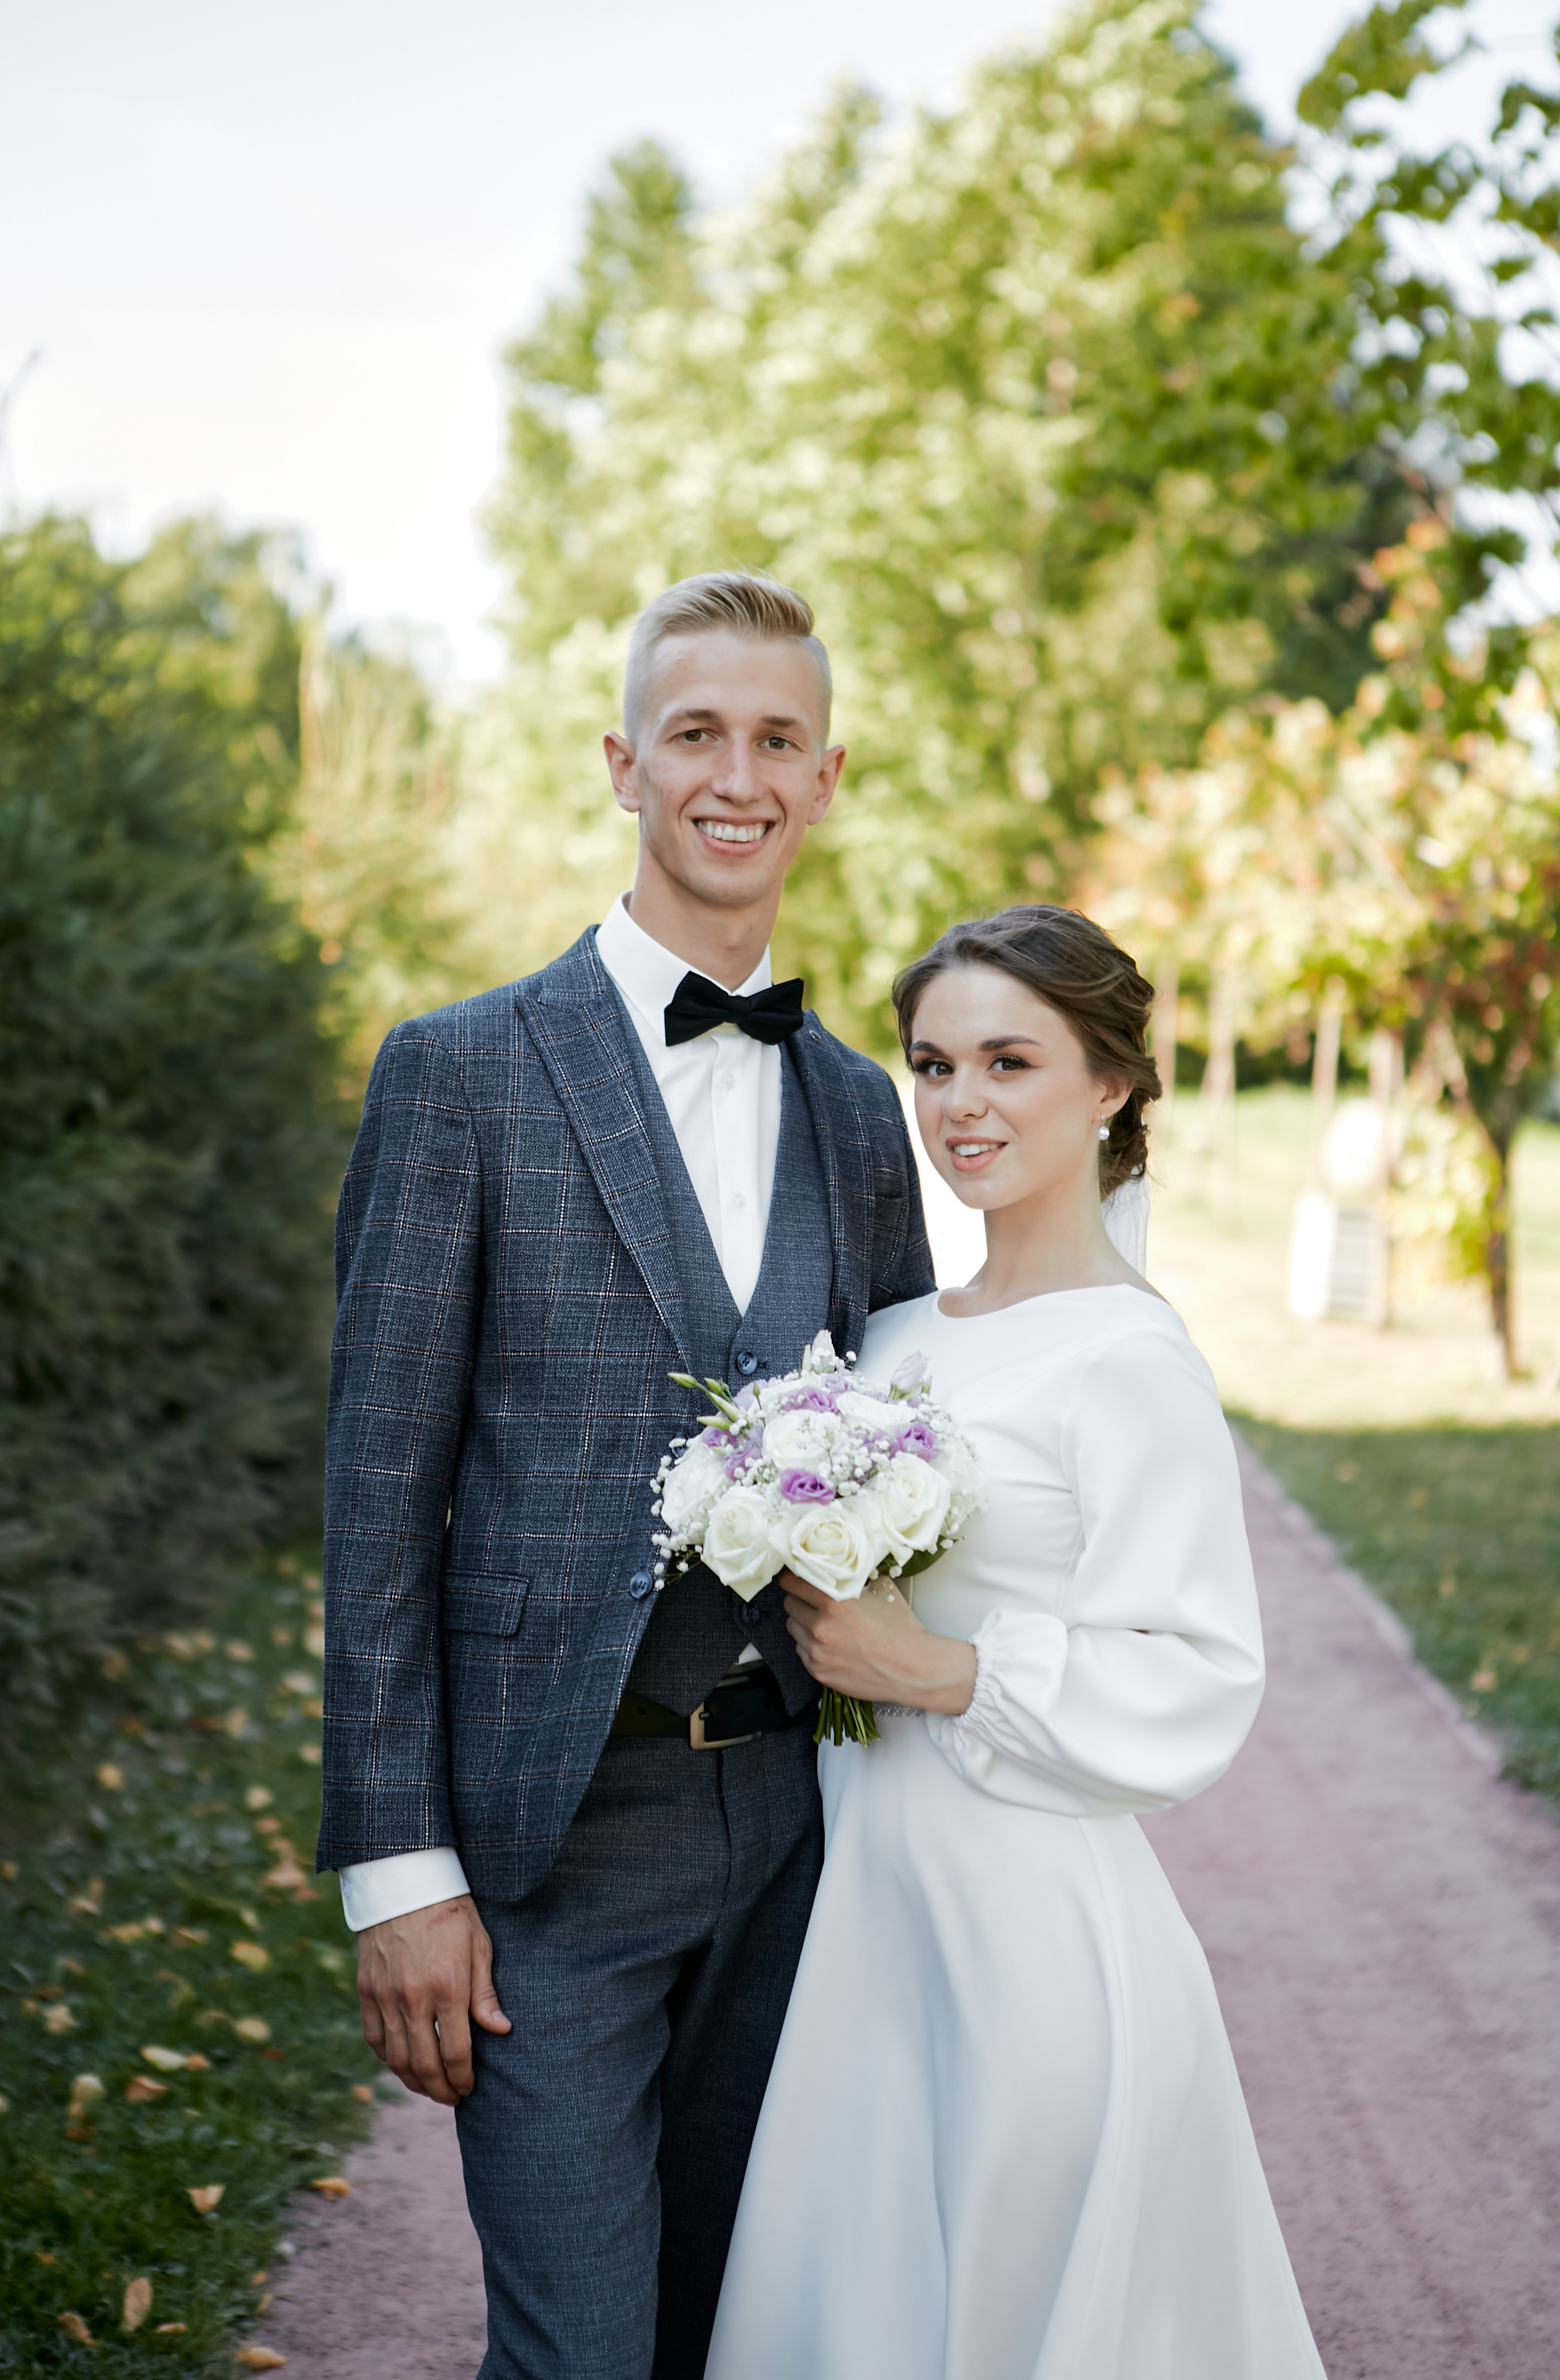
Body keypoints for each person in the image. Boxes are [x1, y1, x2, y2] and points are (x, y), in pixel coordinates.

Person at [314, 571, 935, 2380]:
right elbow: (377, 1506)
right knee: (579, 2353)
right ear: (622, 766)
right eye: (696, 735)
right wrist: (396, 1874)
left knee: (743, 2332)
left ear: (824, 779)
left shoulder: (856, 1106)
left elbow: (909, 1440)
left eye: (777, 739)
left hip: (804, 1846)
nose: (735, 776)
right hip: (547, 1847)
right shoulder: (460, 1077)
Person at [706, 906, 1327, 2380]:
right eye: (931, 1064)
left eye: (1007, 1061)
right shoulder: (898, 1334)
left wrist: (939, 1670)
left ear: (1107, 1085)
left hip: (1025, 1927)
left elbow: (1198, 1671)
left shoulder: (1131, 1357)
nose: (959, 1103)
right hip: (864, 1906)